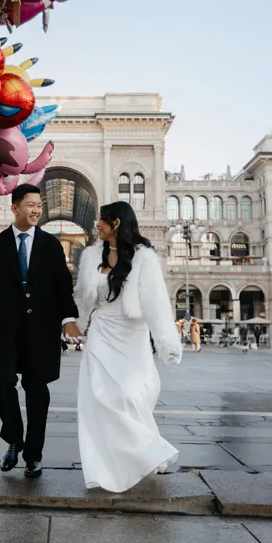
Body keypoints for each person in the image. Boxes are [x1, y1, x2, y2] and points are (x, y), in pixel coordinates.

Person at [0, 184, 81, 479]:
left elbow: (62, 287)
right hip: (3, 331)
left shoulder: (51, 246)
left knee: (38, 392)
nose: (36, 210)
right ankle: (14, 439)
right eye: (30, 205)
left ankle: (33, 455)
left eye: (39, 205)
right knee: (1, 383)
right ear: (14, 208)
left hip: (41, 332)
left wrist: (68, 318)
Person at [73, 201, 183, 493]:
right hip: (101, 332)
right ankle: (104, 464)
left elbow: (156, 302)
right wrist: (72, 322)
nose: (97, 224)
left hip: (131, 333)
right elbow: (84, 299)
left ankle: (144, 450)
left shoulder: (144, 257)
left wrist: (167, 342)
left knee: (129, 396)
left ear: (117, 223)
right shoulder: (91, 255)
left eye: (102, 220)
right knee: (98, 396)